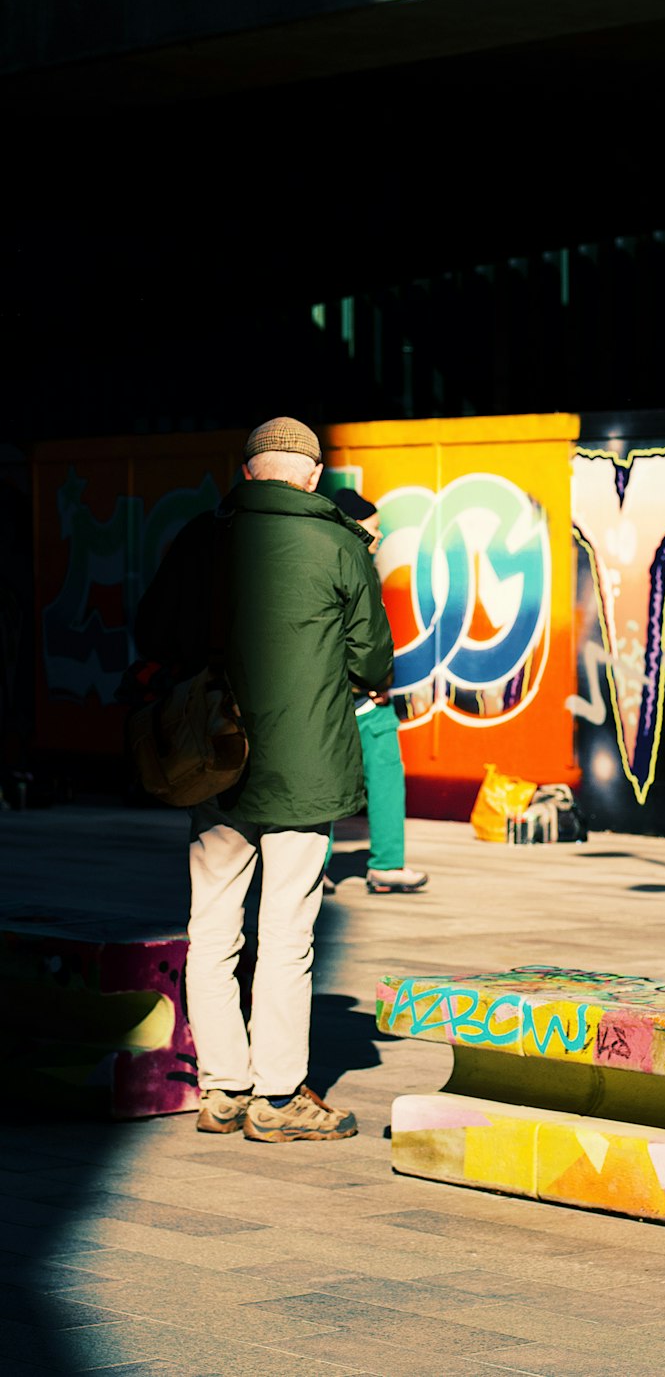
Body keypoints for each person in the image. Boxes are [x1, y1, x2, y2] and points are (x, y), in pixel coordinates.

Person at [134, 418, 394, 1141]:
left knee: (211, 924)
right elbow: (374, 662)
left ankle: (222, 1088)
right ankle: (277, 1097)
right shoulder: (343, 544)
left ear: (247, 472)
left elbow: (153, 632)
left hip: (217, 761)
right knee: (287, 930)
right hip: (304, 770)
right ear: (312, 476)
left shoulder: (201, 539)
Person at [324, 487, 428, 894]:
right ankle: (382, 865)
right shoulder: (350, 566)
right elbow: (359, 637)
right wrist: (374, 680)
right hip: (354, 697)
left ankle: (332, 869)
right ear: (353, 526)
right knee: (367, 777)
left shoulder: (335, 561)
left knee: (339, 781)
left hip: (347, 699)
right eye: (374, 527)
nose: (380, 535)